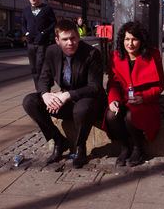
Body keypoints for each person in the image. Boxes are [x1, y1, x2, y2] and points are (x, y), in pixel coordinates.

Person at [22, 19, 106, 168]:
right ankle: (58, 140)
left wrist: (67, 95)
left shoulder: (92, 54)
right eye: (65, 39)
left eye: (73, 38)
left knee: (82, 108)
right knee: (30, 101)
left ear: (78, 37)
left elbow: (95, 87)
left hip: (89, 101)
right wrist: (45, 94)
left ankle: (80, 146)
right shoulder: (51, 52)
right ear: (57, 40)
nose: (70, 43)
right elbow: (43, 79)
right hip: (66, 101)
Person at [103, 22, 164, 167]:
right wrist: (113, 100)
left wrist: (143, 98)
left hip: (146, 101)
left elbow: (159, 86)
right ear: (122, 40)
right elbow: (113, 84)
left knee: (132, 115)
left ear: (141, 41)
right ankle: (124, 147)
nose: (130, 43)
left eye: (134, 39)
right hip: (124, 98)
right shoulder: (116, 55)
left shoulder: (153, 54)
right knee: (112, 116)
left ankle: (138, 147)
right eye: (127, 39)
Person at [22, 0, 57, 92]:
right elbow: (23, 24)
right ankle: (39, 90)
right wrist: (26, 33)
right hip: (31, 44)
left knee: (40, 65)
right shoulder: (26, 10)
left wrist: (43, 33)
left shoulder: (47, 9)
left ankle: (44, 89)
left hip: (43, 43)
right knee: (33, 68)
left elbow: (53, 23)